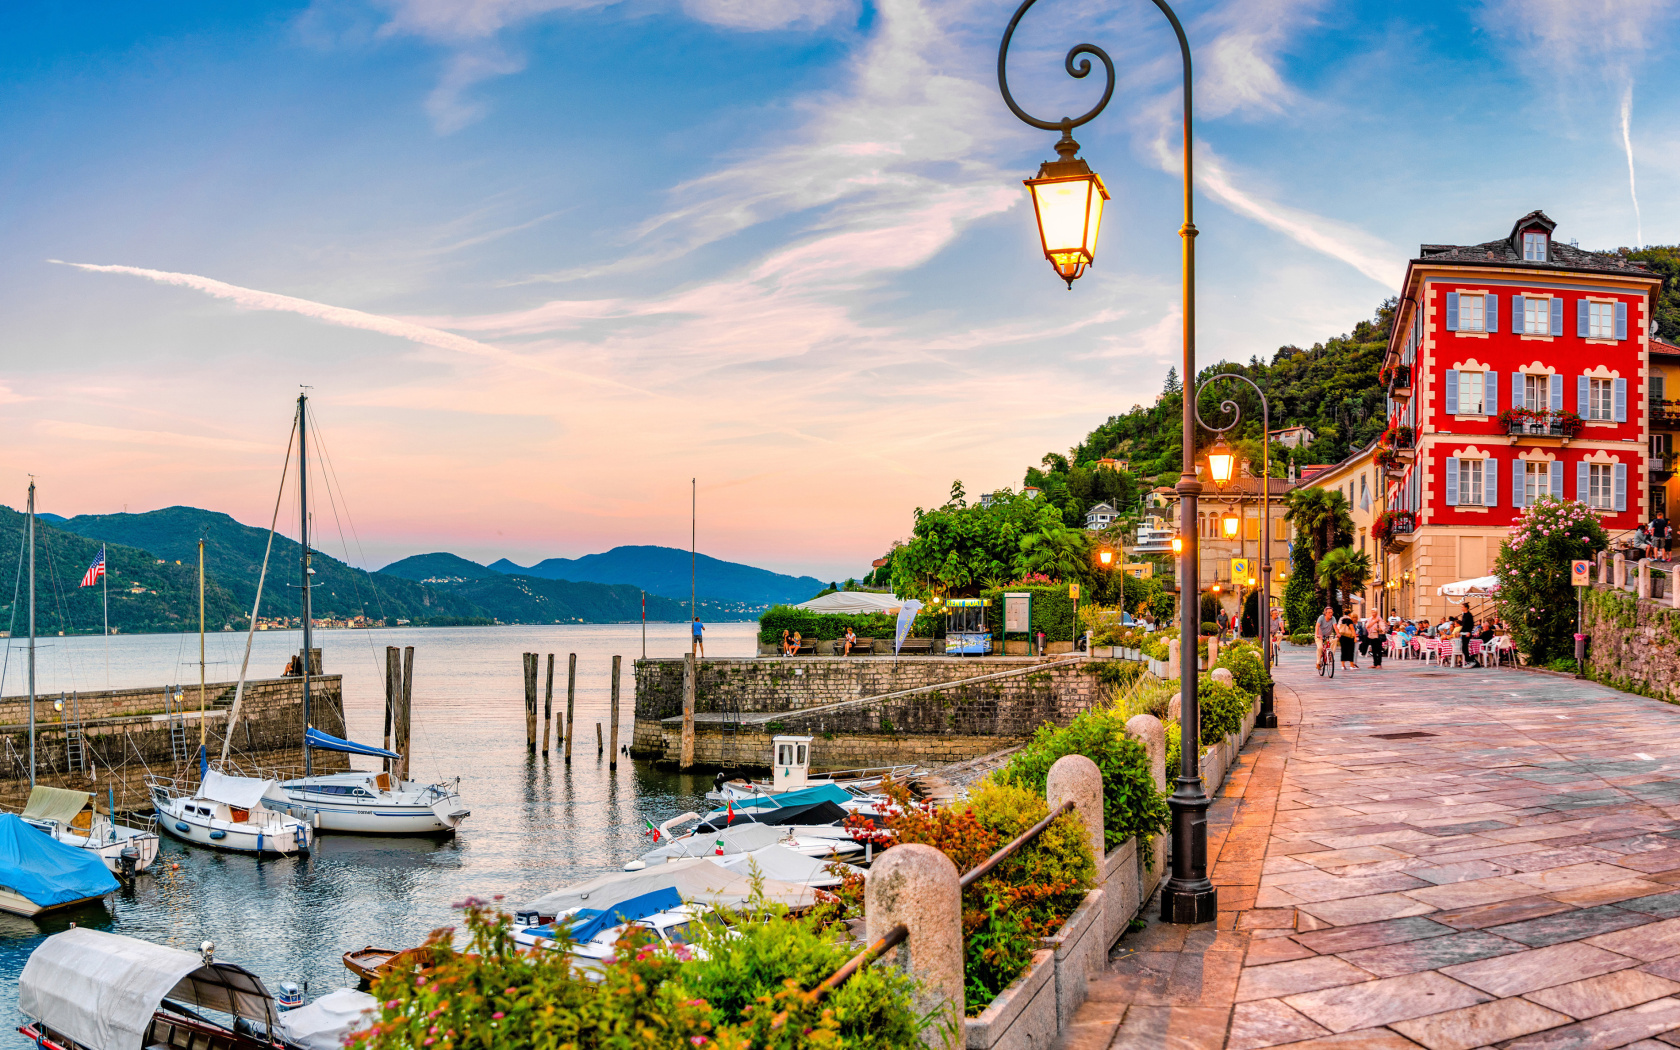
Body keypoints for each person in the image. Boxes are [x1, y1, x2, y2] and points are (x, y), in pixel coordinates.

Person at [1457, 602, 1475, 669]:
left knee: (1465, 647)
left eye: (1462, 607)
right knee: (1464, 648)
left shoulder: (1469, 615)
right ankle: (1469, 660)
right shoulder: (1463, 615)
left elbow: (1471, 624)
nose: (1461, 608)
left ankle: (1469, 661)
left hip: (1467, 633)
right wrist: (1460, 632)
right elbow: (1463, 625)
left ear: (1466, 608)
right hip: (1464, 632)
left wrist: (1469, 632)